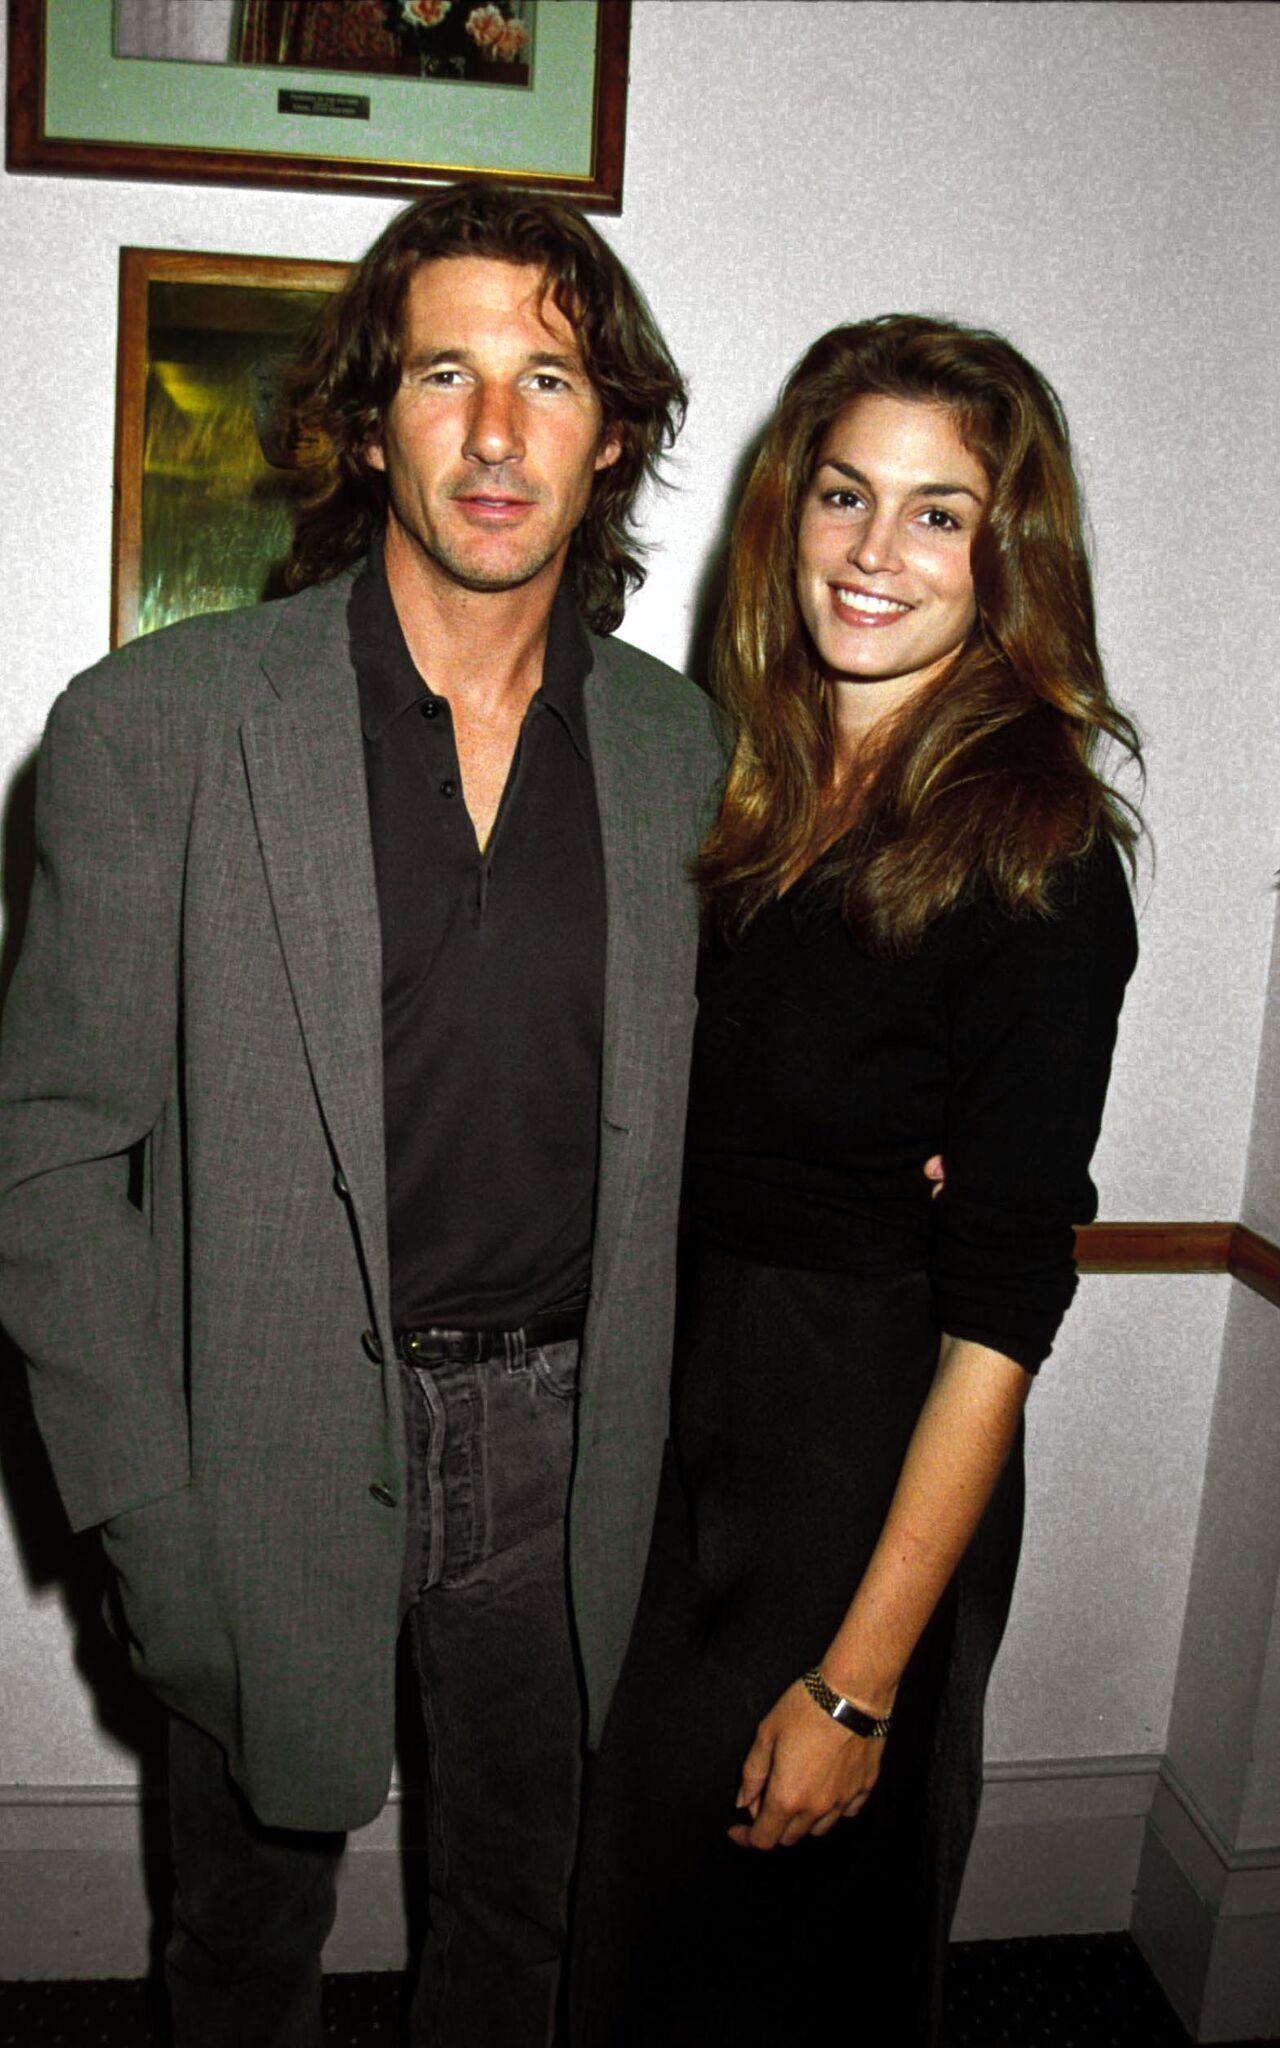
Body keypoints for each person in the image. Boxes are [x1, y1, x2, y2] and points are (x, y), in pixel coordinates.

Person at [0, 182, 721, 2048]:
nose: (496, 433)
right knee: (238, 1947)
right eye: (446, 374)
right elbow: (49, 1157)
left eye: (549, 377)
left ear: (613, 429)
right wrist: (144, 1515)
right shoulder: (153, 727)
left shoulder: (685, 756)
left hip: (574, 1460)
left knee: (528, 1927)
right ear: (369, 416)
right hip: (261, 1449)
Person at [569, 314, 1141, 2046]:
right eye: (843, 495)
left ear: (1006, 558)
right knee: (645, 1921)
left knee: (789, 1942)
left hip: (860, 1452)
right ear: (785, 514)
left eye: (938, 513)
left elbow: (997, 1315)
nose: (875, 553)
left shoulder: (1038, 854)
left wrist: (859, 1677)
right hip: (691, 1417)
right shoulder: (747, 788)